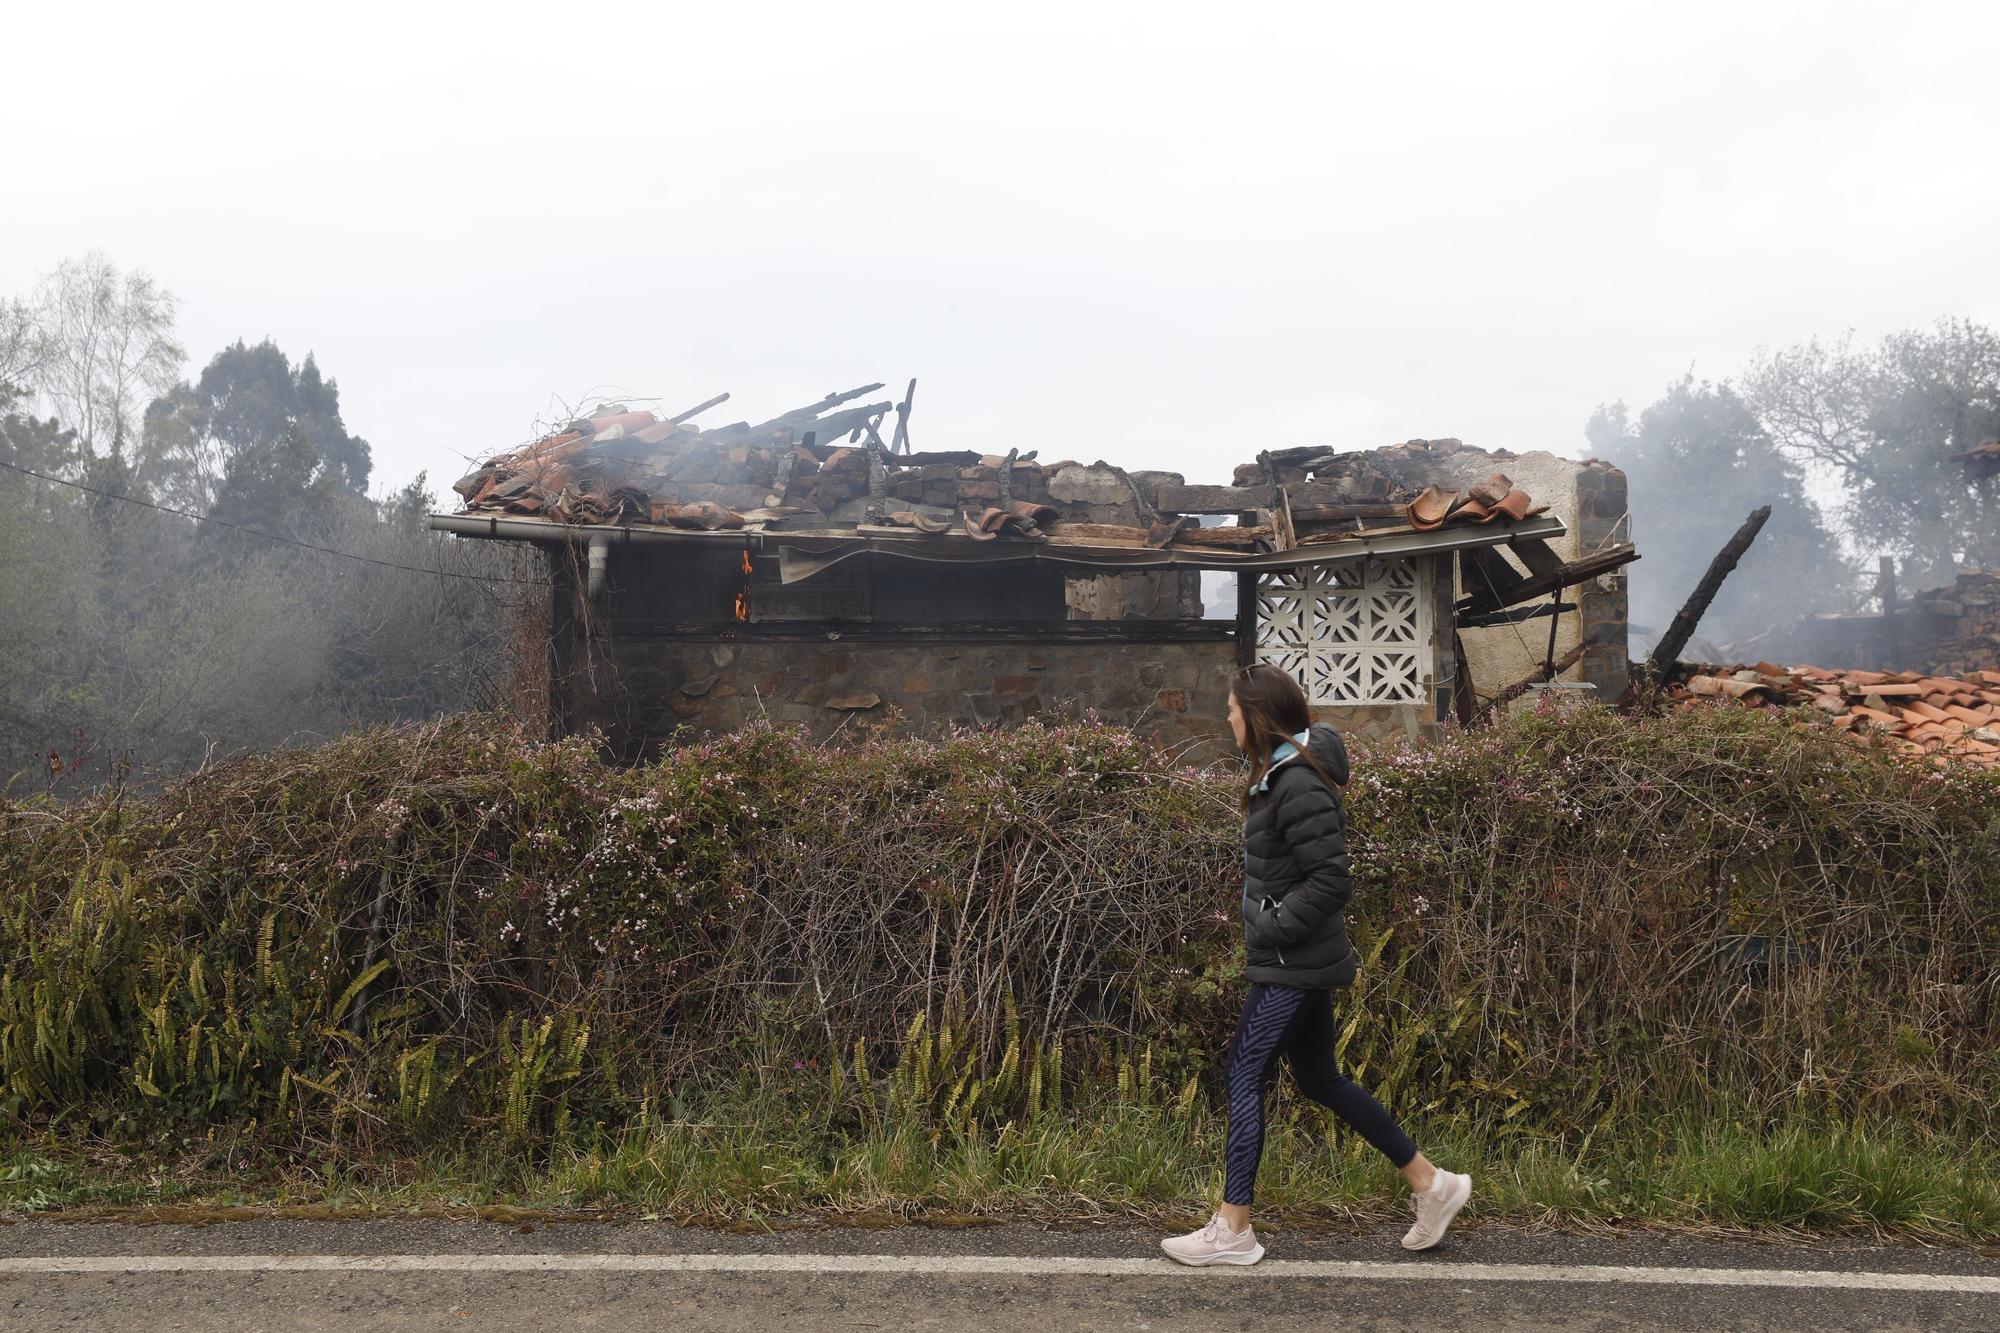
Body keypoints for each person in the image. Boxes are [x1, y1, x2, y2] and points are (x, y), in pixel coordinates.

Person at [1161, 662, 1471, 1267]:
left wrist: (1273, 929)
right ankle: (1432, 1183)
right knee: (1319, 1079)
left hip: (1292, 962)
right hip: (1295, 957)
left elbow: (1330, 880)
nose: (1226, 720)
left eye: (1231, 710)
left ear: (1256, 716)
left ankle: (1233, 1228)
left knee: (1244, 1072)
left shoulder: (1297, 782)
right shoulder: (1282, 774)